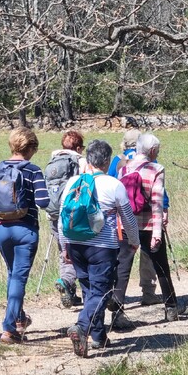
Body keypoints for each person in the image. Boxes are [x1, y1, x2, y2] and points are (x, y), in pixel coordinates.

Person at [62, 140, 139, 358]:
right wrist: (134, 241)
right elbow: (128, 218)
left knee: (89, 290)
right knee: (102, 291)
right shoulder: (114, 184)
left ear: (88, 160)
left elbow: (62, 217)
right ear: (106, 162)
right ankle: (82, 327)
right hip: (102, 247)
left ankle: (98, 336)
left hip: (76, 244)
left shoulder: (73, 182)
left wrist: (65, 245)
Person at [0, 128, 54, 344]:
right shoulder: (33, 170)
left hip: (2, 229)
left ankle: (20, 318)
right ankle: (10, 329)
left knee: (13, 274)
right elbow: (43, 202)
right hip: (25, 230)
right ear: (30, 147)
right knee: (19, 277)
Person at [123, 132, 182, 321]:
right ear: (153, 150)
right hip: (148, 224)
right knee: (161, 265)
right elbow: (157, 202)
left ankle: (117, 310)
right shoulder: (156, 169)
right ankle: (171, 308)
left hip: (127, 224)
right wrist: (157, 232)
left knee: (123, 268)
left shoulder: (123, 168)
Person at [109, 127, 160, 311]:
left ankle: (117, 298)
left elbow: (110, 184)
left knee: (123, 260)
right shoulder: (150, 161)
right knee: (148, 255)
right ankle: (148, 293)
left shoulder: (118, 161)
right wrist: (164, 210)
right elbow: (157, 188)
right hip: (146, 217)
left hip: (123, 218)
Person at [43, 130, 87, 308]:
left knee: (64, 252)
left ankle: (68, 289)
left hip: (53, 214)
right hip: (73, 215)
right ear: (78, 147)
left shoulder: (52, 161)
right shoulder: (80, 161)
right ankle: (69, 282)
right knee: (79, 251)